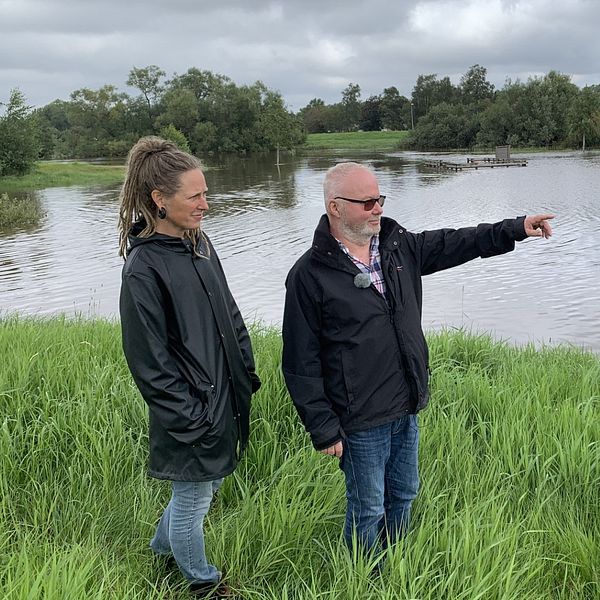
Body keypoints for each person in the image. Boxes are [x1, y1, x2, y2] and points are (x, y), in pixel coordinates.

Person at [281, 161, 553, 556]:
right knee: (367, 508)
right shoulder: (309, 275)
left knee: (404, 495)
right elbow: (299, 362)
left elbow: (456, 242)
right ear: (335, 207)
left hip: (405, 403)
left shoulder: (397, 247)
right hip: (358, 417)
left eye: (380, 199)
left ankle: (395, 564)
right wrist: (322, 426)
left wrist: (514, 228)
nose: (378, 208)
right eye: (368, 202)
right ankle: (364, 577)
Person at [118, 137, 261, 597]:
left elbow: (230, 314)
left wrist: (246, 369)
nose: (206, 204)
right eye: (195, 196)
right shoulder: (143, 268)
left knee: (206, 487)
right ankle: (203, 584)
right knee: (193, 499)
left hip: (225, 394)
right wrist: (191, 416)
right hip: (192, 409)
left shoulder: (199, 244)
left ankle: (161, 553)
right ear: (160, 200)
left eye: (206, 192)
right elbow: (149, 362)